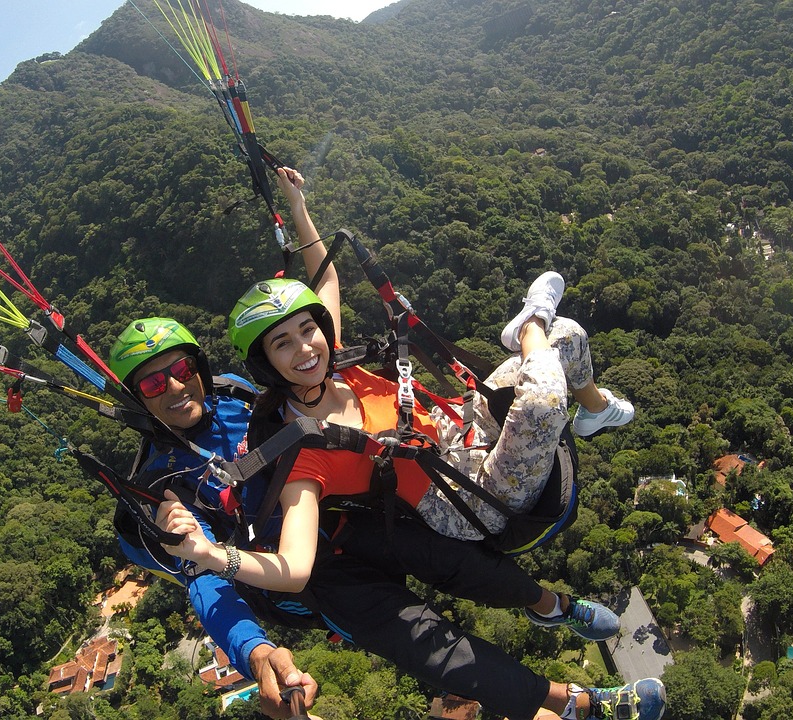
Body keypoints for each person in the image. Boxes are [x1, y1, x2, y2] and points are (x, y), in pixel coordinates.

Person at [159, 169, 664, 720]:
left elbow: (324, 280)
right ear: (266, 365)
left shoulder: (334, 365)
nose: (305, 347)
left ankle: (592, 410)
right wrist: (213, 557)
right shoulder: (302, 452)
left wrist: (297, 207)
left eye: (309, 331)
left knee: (567, 339)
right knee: (543, 393)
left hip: (462, 432)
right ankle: (530, 320)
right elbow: (297, 569)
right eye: (283, 343)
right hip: (466, 498)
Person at [105, 317, 317, 719]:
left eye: (183, 370)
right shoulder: (166, 484)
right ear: (138, 402)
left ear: (199, 369)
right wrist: (256, 653)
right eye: (152, 385)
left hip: (320, 520)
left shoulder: (235, 393)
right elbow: (202, 577)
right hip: (294, 579)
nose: (175, 387)